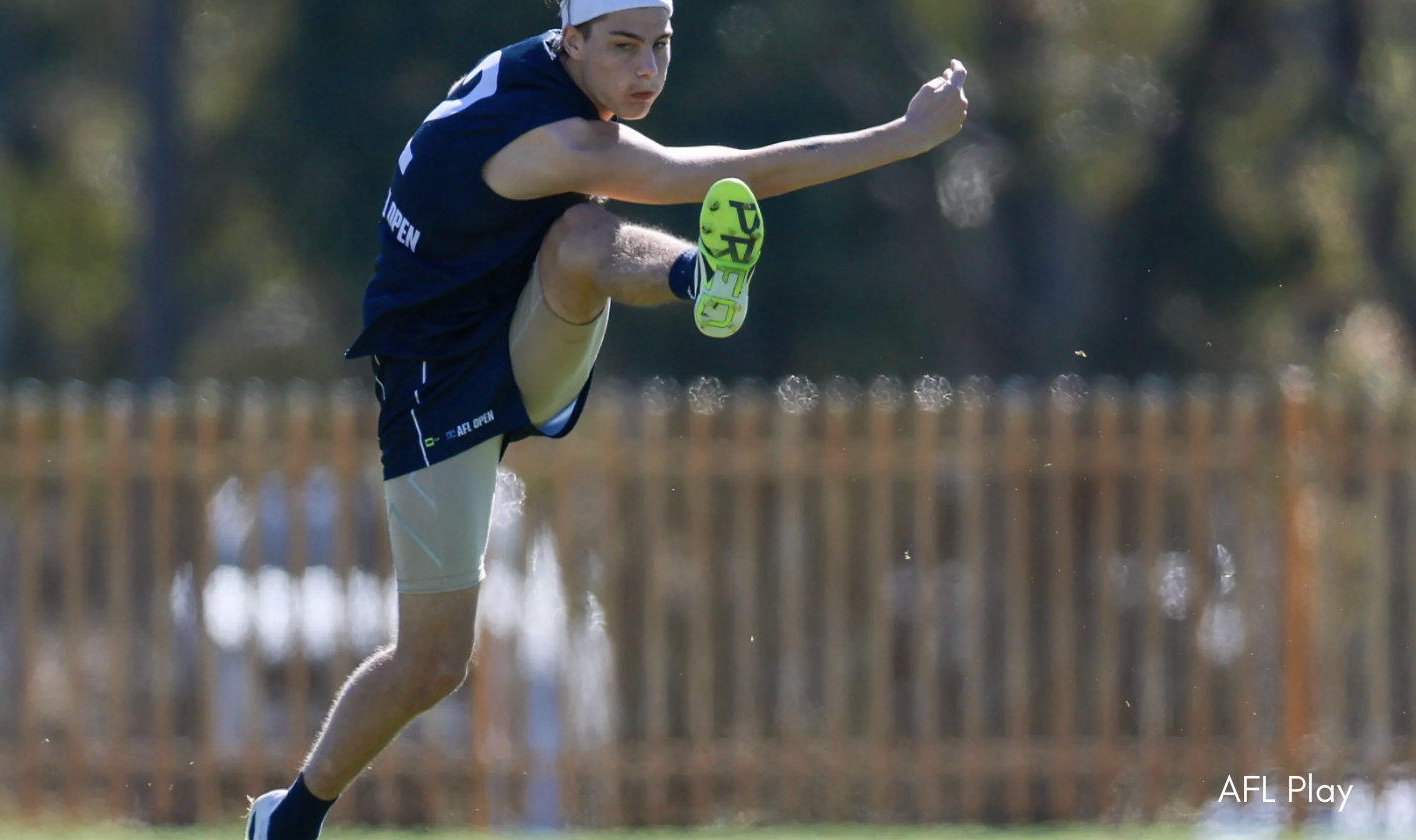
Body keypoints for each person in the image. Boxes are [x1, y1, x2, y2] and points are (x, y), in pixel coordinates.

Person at [247, 0, 968, 836]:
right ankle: (290, 819)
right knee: (433, 663)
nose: (647, 71)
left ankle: (703, 279)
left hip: (524, 328)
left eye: (662, 46)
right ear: (573, 39)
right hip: (433, 377)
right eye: (624, 48)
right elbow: (716, 175)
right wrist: (902, 137)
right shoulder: (556, 137)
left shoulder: (553, 77)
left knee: (582, 234)